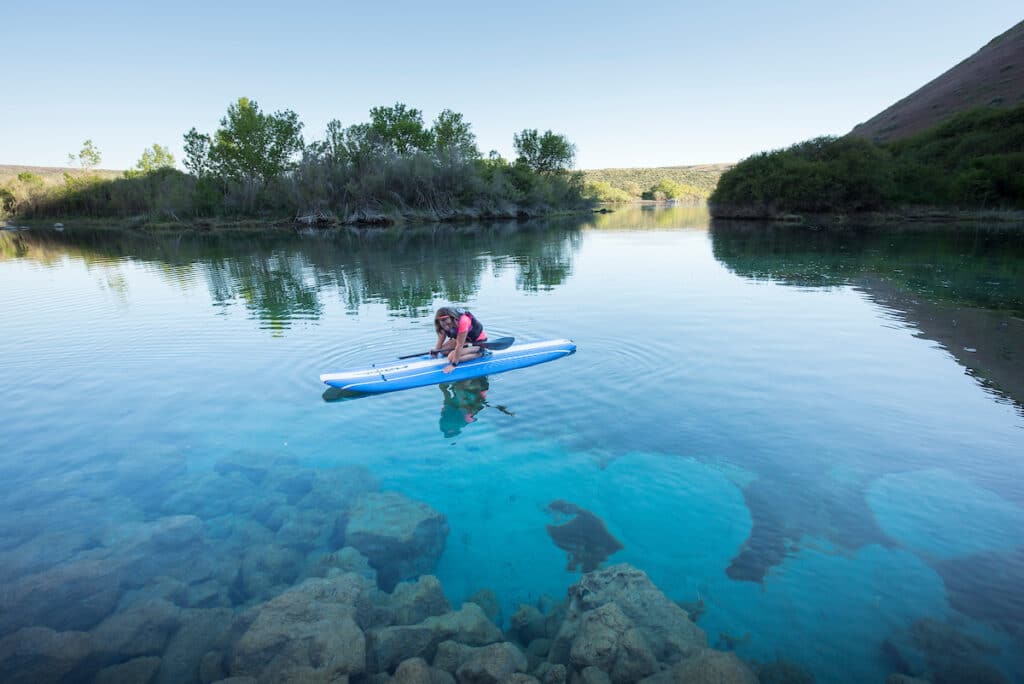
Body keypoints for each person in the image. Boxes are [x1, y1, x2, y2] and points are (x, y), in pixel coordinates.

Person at [432, 306, 488, 374]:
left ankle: (481, 353)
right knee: (443, 351)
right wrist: (436, 352)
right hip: (464, 341)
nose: (446, 327)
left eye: (448, 324)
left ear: (453, 319)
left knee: (451, 357)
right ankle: (467, 348)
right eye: (444, 325)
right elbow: (441, 339)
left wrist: (453, 365)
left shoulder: (463, 321)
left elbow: (459, 345)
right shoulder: (440, 324)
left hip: (478, 342)